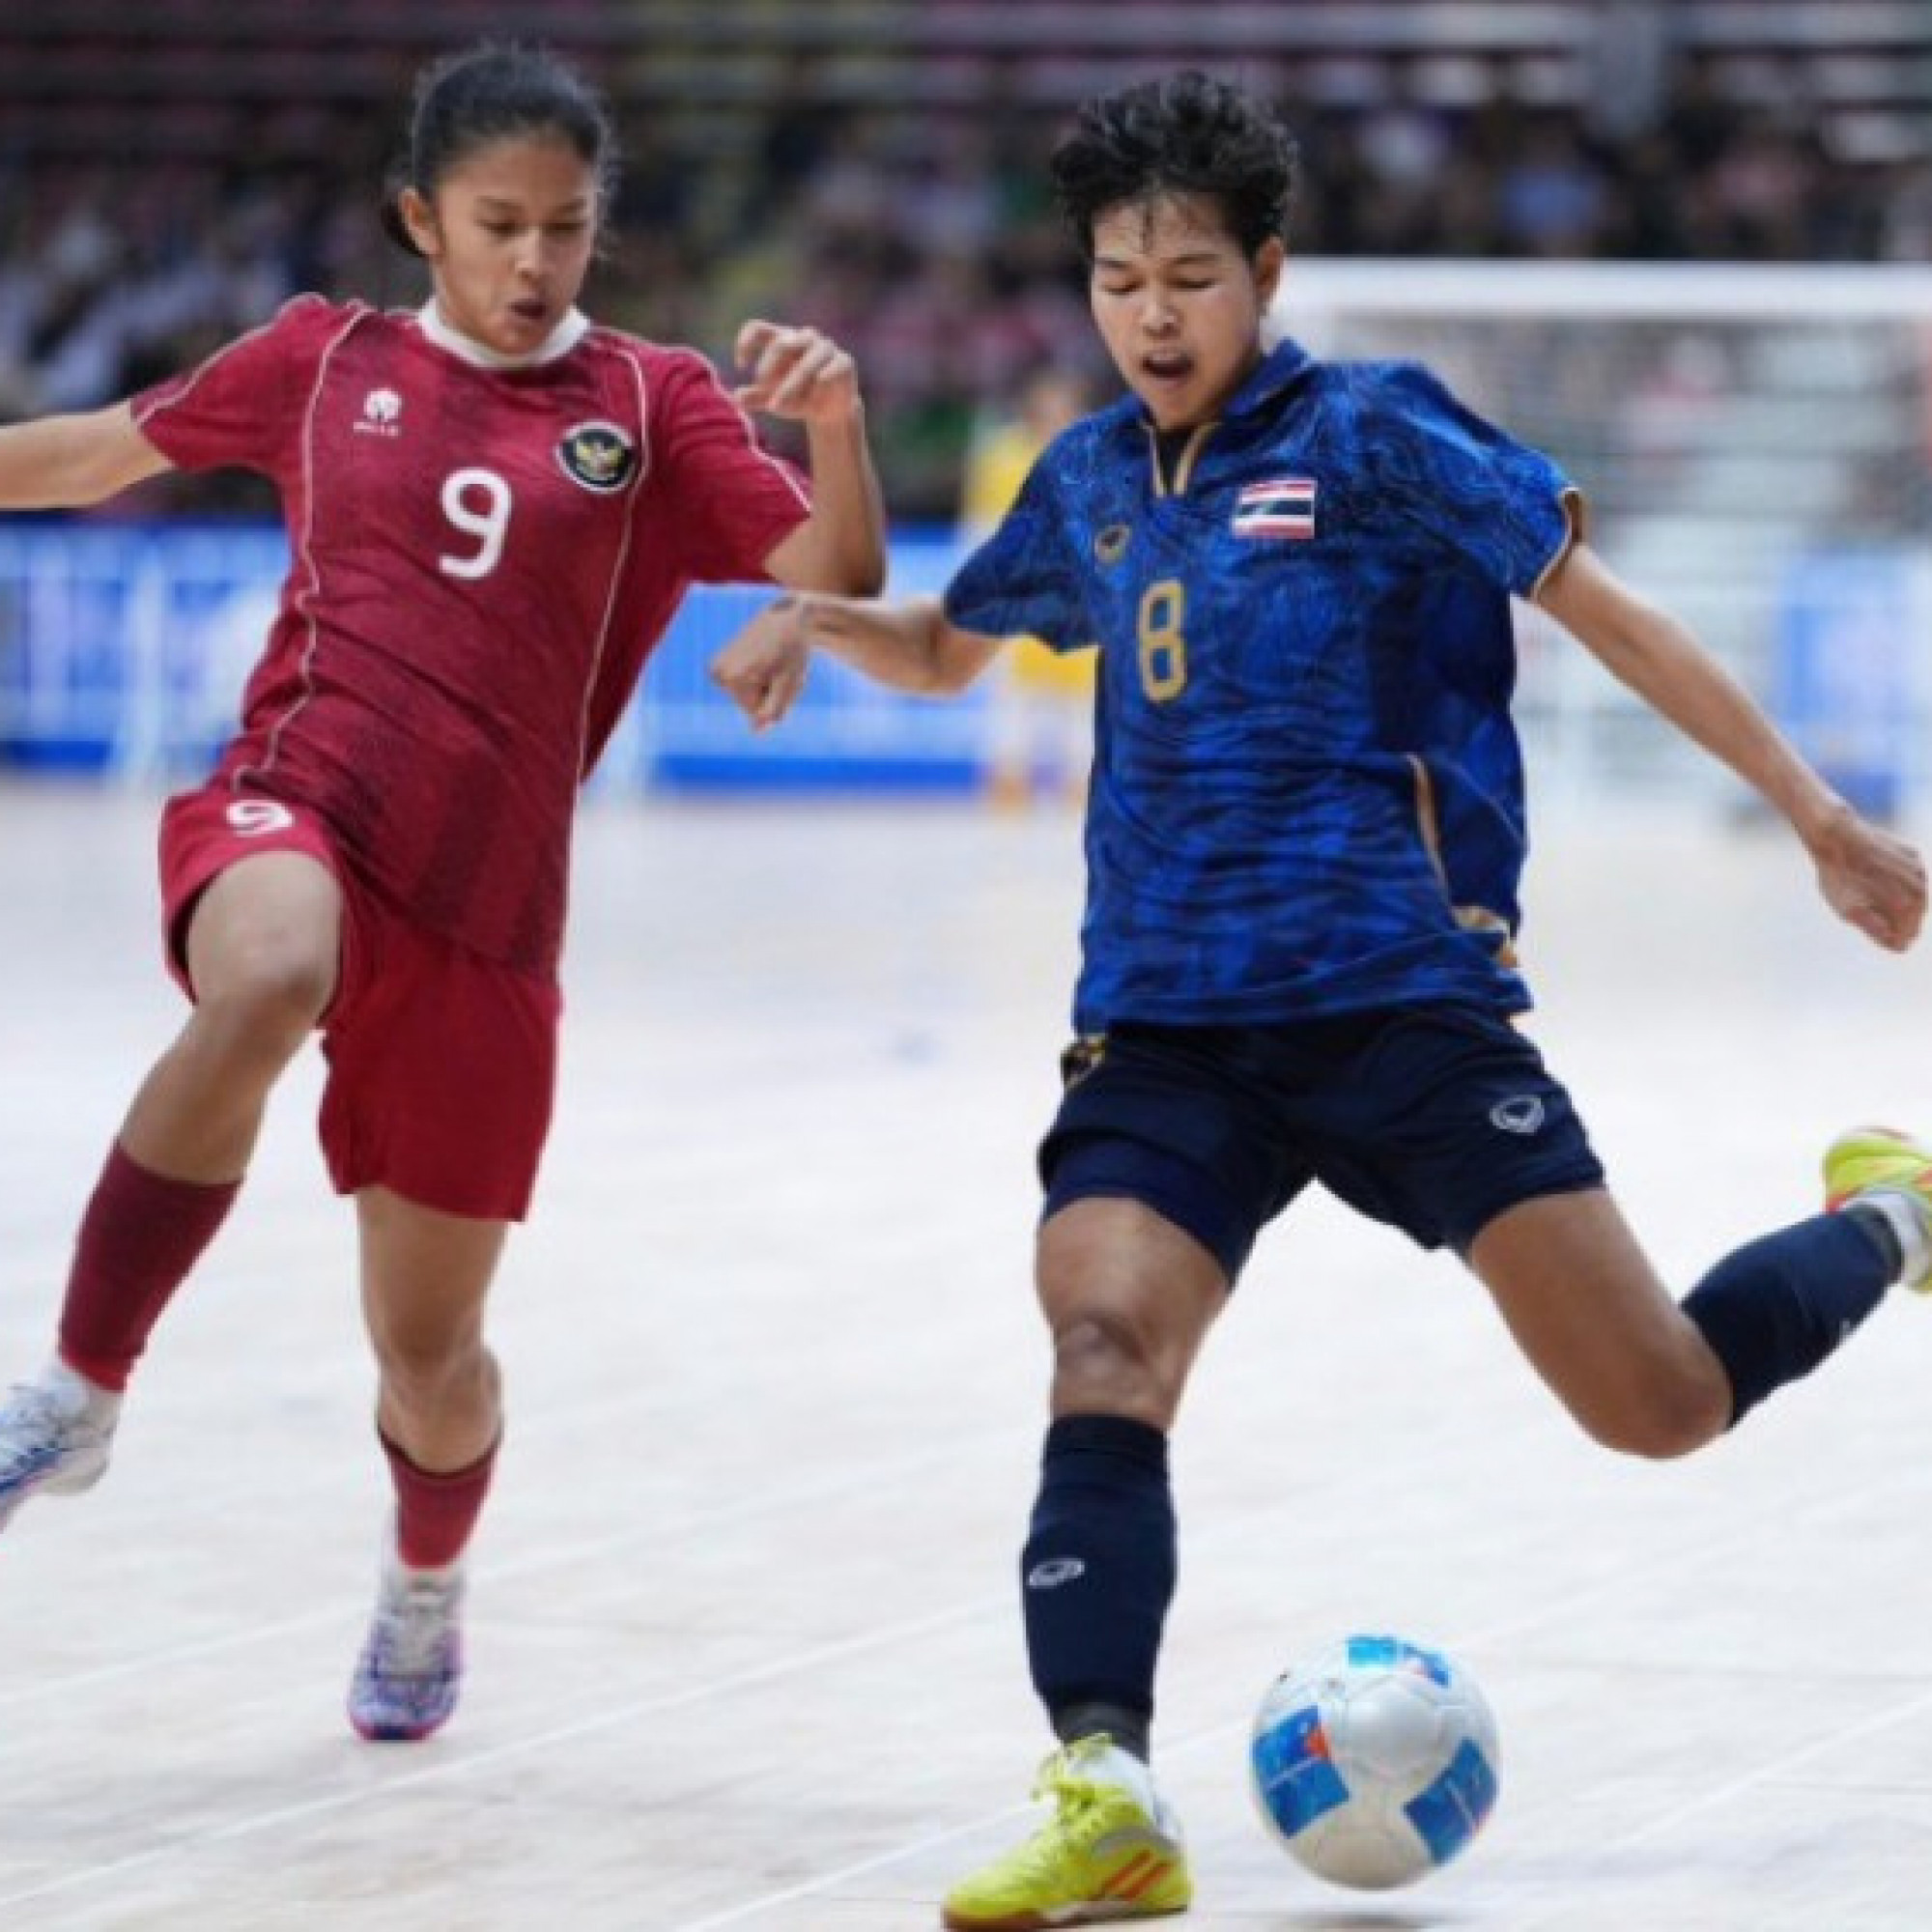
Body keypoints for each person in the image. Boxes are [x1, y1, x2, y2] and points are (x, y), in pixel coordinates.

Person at [710, 71, 1931, 1929]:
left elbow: (1608, 614)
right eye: (1120, 279)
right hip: (1168, 1024)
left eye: (1190, 275)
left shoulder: (1370, 433)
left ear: (1265, 272)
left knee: (1662, 1404)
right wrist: (822, 615)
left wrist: (1821, 815)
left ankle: (1890, 1213)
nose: (1152, 314)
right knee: (1104, 1342)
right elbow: (959, 647)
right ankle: (1106, 1789)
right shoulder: (1089, 477)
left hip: (1397, 1003)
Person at [0, 44, 885, 1745]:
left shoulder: (655, 406)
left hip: (489, 922)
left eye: (567, 227)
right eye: (499, 225)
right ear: (422, 218)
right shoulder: (320, 360)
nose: (535, 261)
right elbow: (92, 457)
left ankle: (423, 1586)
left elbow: (836, 576)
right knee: (262, 974)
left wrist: (834, 427)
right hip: (300, 800)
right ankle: (80, 1388)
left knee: (431, 1359)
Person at [958, 362, 1097, 806]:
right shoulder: (1003, 454)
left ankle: (1080, 788)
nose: (1055, 408)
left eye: (1064, 401)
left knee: (1080, 697)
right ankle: (1008, 785)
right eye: (1048, 399)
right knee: (1014, 694)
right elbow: (980, 522)